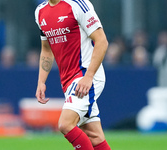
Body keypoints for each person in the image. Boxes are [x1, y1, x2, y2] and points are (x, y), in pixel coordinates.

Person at [35, 0, 111, 150]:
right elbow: (46, 49)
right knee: (94, 136)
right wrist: (41, 81)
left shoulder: (78, 4)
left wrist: (88, 77)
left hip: (86, 75)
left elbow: (102, 41)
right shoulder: (40, 11)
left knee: (65, 124)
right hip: (68, 81)